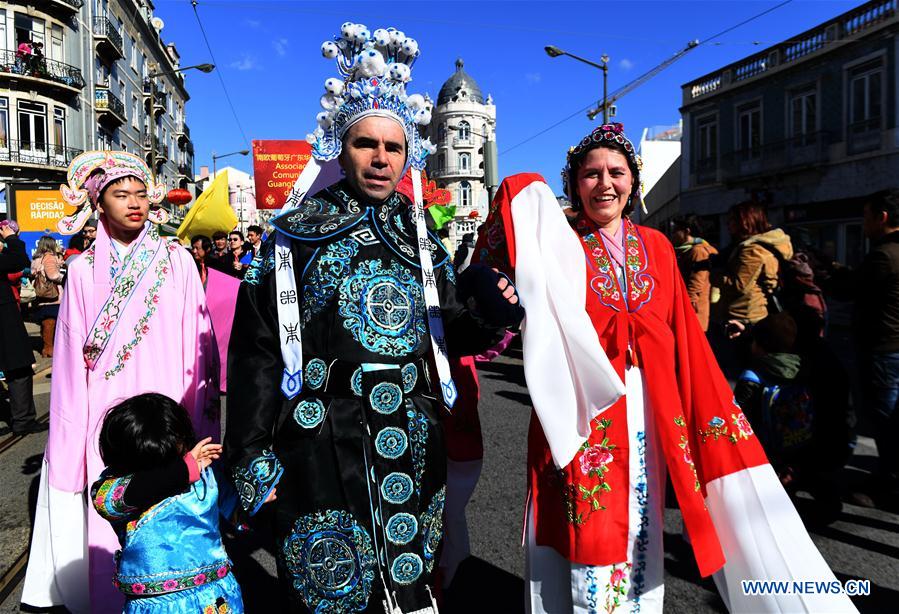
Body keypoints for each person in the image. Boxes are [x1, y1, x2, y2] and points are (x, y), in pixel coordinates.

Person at [475, 123, 854, 613]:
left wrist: (709, 404)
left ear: (634, 181)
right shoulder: (559, 244)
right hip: (580, 407)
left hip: (647, 407)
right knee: (584, 526)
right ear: (572, 184)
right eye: (590, 174)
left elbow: (684, 333)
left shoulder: (656, 246)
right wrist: (530, 194)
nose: (604, 183)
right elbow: (502, 228)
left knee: (640, 518)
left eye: (616, 172)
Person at [225, 22, 521, 614]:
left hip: (412, 435)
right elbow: (255, 353)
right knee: (327, 583)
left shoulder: (421, 239)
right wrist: (253, 454)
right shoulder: (292, 237)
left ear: (408, 154)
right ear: (343, 148)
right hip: (319, 438)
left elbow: (451, 331)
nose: (381, 159)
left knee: (408, 582)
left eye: (394, 147)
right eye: (368, 145)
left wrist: (493, 310)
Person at [22, 151, 220, 614]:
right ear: (98, 204)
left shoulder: (177, 259)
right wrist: (69, 432)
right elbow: (70, 355)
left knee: (173, 510)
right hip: (104, 412)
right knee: (112, 508)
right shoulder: (85, 270)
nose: (134, 203)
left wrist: (199, 412)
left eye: (139, 194)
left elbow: (200, 341)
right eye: (119, 194)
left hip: (170, 402)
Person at [91, 393, 245, 613]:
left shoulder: (206, 474)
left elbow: (236, 508)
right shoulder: (111, 489)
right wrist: (184, 470)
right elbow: (141, 487)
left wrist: (256, 497)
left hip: (214, 597)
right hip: (155, 606)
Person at [734, 312, 849, 523]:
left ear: (758, 345)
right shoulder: (803, 366)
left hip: (767, 445)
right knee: (806, 475)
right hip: (803, 439)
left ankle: (772, 516)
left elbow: (739, 414)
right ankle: (828, 504)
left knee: (772, 483)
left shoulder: (753, 375)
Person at [853, 188, 899, 509]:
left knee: (886, 419)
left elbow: (852, 289)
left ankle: (889, 481)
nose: (864, 223)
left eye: (867, 216)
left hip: (884, 346)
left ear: (882, 217)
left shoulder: (884, 255)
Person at [0, 220, 45, 436]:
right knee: (18, 366)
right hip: (3, 314)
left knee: (18, 367)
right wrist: (11, 238)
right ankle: (24, 421)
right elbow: (18, 260)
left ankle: (24, 419)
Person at [670, 214, 718, 332]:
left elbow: (696, 281)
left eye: (675, 230)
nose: (672, 234)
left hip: (695, 309)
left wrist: (689, 305)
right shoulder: (687, 250)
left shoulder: (698, 251)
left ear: (687, 231)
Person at [30, 235, 64, 358]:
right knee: (50, 323)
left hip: (40, 295)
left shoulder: (36, 258)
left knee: (45, 323)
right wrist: (64, 277)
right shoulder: (49, 257)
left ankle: (46, 347)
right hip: (51, 296)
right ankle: (49, 349)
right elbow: (53, 275)